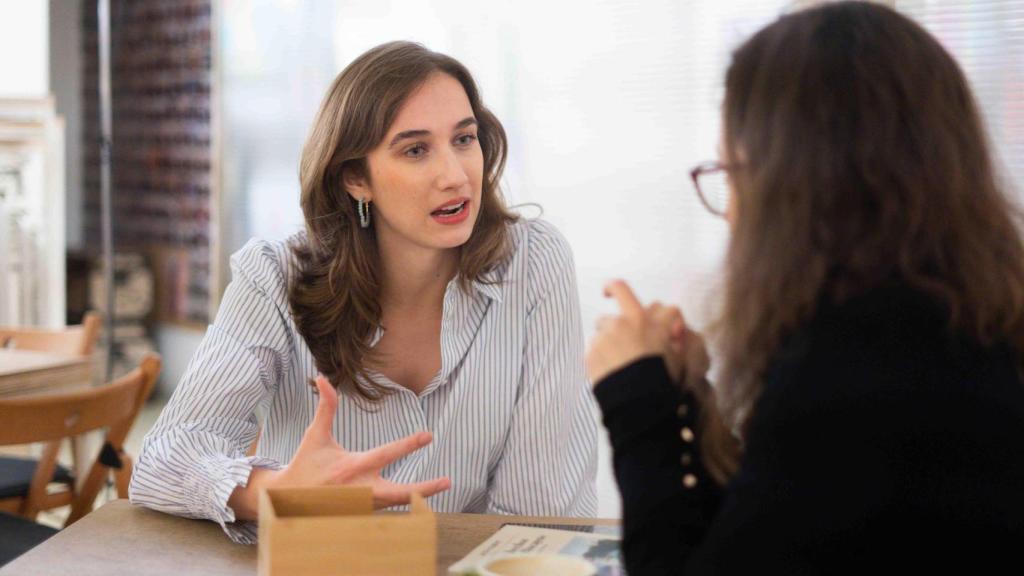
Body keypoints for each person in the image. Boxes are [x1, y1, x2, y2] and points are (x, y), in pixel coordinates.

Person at [586, 2, 1024, 573]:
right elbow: (768, 539)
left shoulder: (852, 377)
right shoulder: (961, 328)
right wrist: (687, 399)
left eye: (732, 175)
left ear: (796, 189)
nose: (730, 212)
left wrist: (637, 398)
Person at [130, 41, 597, 544]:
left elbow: (541, 509)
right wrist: (277, 492)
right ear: (355, 178)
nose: (456, 175)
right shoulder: (274, 277)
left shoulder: (534, 262)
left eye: (464, 139)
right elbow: (163, 461)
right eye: (416, 150)